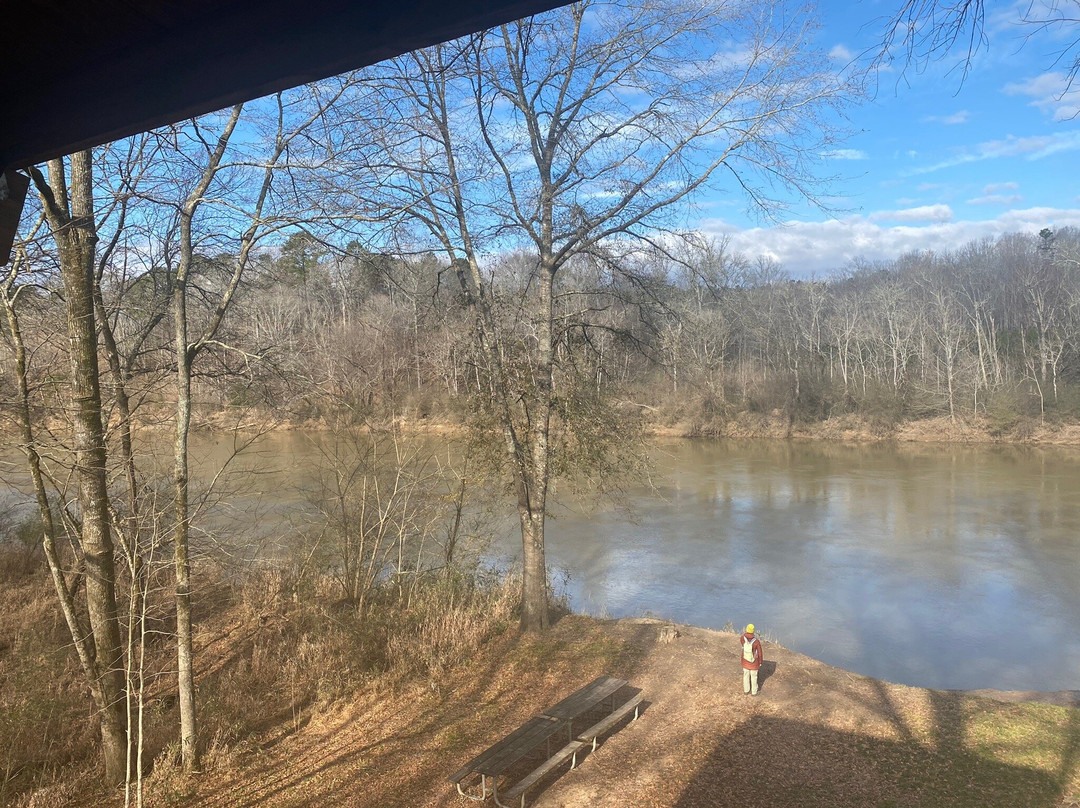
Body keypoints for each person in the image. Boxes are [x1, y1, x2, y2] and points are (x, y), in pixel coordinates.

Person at [739, 623, 763, 696]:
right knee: (754, 677)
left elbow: (743, 645)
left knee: (745, 676)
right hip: (754, 663)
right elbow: (759, 653)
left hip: (745, 661)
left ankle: (746, 690)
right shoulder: (756, 641)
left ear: (747, 629)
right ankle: (754, 692)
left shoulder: (742, 638)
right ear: (753, 631)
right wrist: (760, 662)